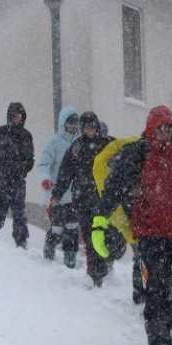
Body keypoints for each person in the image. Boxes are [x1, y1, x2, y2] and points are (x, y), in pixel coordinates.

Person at [91, 105, 172, 345]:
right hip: (151, 231)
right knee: (157, 282)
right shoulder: (137, 152)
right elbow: (113, 186)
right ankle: (159, 339)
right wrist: (100, 220)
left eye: (169, 128)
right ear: (151, 128)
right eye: (161, 128)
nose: (165, 133)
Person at [50, 111, 115, 286]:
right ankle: (95, 274)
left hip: (105, 200)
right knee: (90, 237)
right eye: (86, 127)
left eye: (92, 126)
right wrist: (56, 194)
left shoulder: (107, 144)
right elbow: (65, 173)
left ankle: (106, 265)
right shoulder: (76, 147)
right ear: (82, 128)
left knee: (106, 236)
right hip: (84, 200)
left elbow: (124, 159)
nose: (90, 130)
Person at [0, 102, 35, 248]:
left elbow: (30, 160)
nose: (17, 119)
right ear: (9, 116)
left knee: (19, 213)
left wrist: (22, 170)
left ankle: (21, 241)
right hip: (0, 180)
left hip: (18, 181)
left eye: (20, 116)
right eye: (14, 116)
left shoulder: (26, 136)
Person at [38, 107, 79, 268]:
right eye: (69, 123)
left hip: (75, 195)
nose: (72, 127)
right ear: (63, 124)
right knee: (57, 227)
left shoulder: (79, 143)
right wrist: (46, 179)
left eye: (75, 124)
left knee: (72, 228)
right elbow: (43, 164)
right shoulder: (53, 143)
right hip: (58, 194)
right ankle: (49, 250)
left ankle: (70, 259)